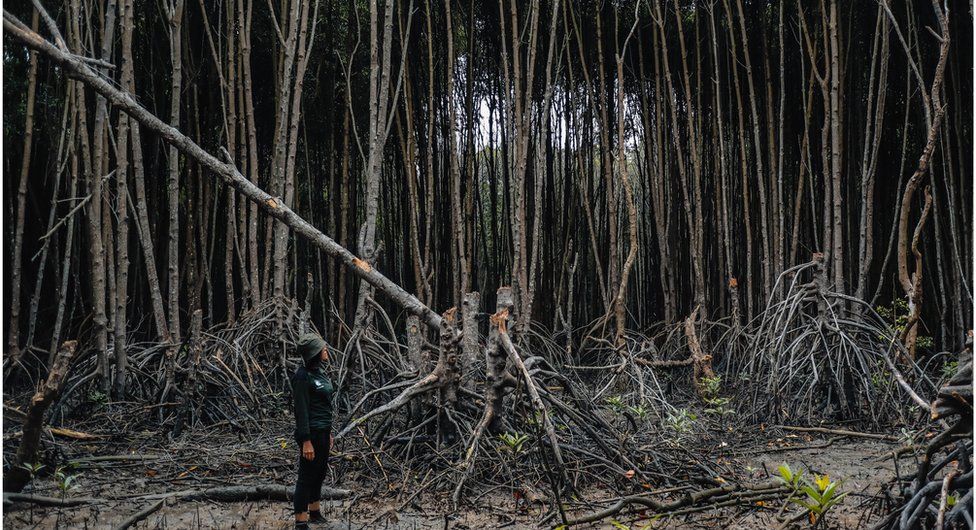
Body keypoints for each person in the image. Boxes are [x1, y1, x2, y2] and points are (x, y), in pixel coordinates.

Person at [291, 333, 335, 529]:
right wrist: (306, 440)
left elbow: (324, 405)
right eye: (322, 347)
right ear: (314, 352)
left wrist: (329, 432)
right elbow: (301, 411)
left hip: (323, 432)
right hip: (311, 434)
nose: (326, 350)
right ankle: (301, 522)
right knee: (306, 476)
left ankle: (315, 512)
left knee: (320, 472)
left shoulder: (320, 373)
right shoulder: (302, 376)